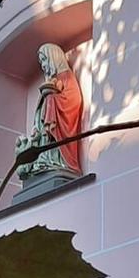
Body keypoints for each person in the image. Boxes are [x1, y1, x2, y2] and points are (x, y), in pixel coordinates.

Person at [16, 43, 83, 181]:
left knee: (50, 99)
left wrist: (53, 99)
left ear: (53, 58)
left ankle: (55, 161)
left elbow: (74, 101)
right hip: (45, 131)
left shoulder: (66, 77)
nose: (43, 65)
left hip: (58, 128)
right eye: (41, 62)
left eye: (44, 60)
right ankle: (44, 160)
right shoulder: (52, 81)